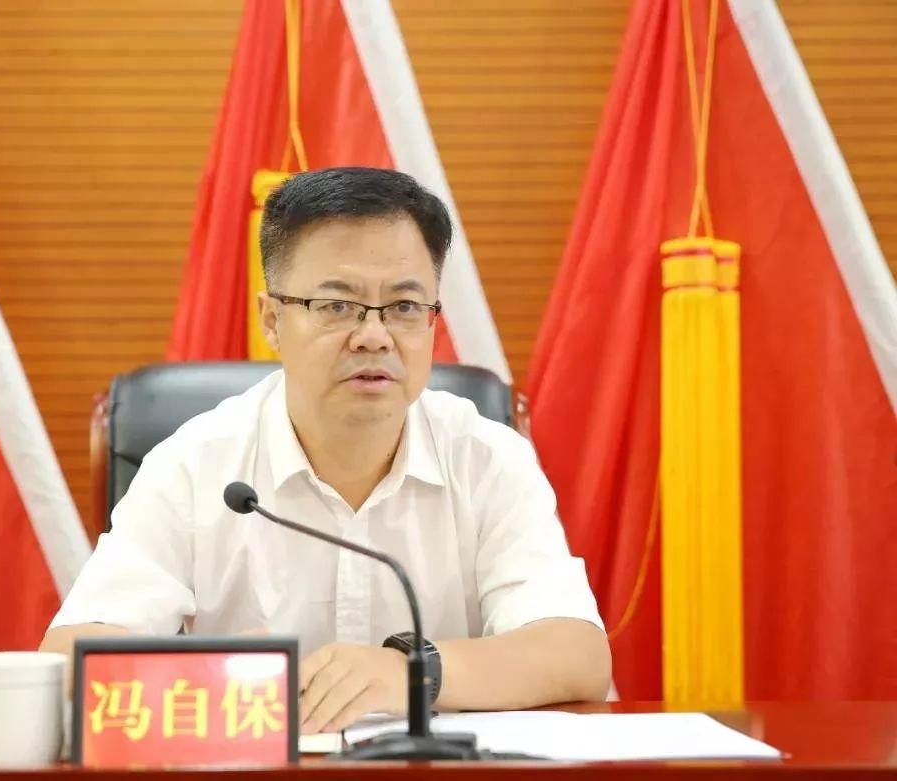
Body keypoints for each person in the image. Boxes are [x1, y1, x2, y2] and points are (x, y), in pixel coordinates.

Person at [41, 167, 611, 734]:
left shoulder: (487, 458)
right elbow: (69, 662)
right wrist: (217, 675)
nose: (374, 336)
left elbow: (576, 655)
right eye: (337, 305)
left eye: (405, 307)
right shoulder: (195, 465)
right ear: (272, 320)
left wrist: (410, 674)